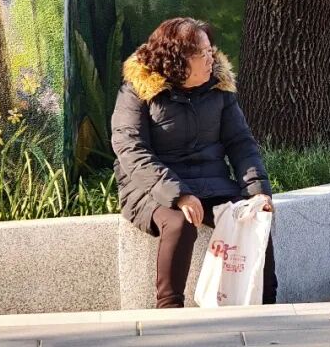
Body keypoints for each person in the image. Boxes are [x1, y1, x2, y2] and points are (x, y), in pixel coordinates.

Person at [111, 17, 277, 308]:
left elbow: (241, 143)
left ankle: (267, 305)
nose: (211, 59)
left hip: (211, 182)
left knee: (252, 216)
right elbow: (130, 149)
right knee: (180, 223)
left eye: (211, 51)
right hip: (149, 188)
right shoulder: (137, 90)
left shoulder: (219, 90)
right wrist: (178, 195)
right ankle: (169, 310)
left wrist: (258, 192)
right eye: (203, 53)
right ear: (178, 59)